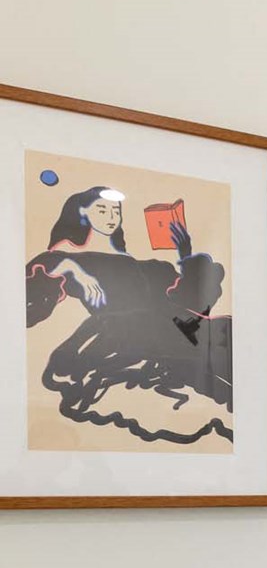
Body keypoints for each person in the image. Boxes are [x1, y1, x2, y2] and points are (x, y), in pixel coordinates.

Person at [26, 185, 233, 446]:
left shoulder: (138, 264)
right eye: (102, 209)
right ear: (82, 213)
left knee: (224, 344)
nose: (111, 217)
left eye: (116, 210)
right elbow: (40, 273)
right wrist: (75, 270)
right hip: (140, 335)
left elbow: (190, 300)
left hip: (175, 328)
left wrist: (184, 251)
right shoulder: (74, 261)